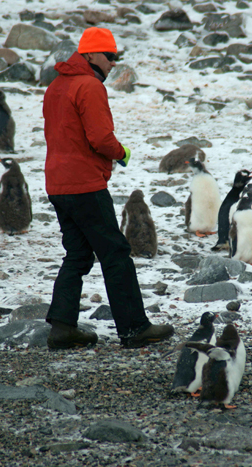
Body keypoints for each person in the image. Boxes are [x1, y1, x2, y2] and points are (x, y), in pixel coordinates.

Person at [43, 27, 175, 349]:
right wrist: (122, 152)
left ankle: (62, 328)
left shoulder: (56, 86)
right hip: (84, 184)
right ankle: (134, 328)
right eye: (109, 56)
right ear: (89, 54)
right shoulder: (89, 86)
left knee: (76, 254)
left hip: (57, 184)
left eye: (115, 57)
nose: (113, 63)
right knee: (115, 253)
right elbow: (100, 138)